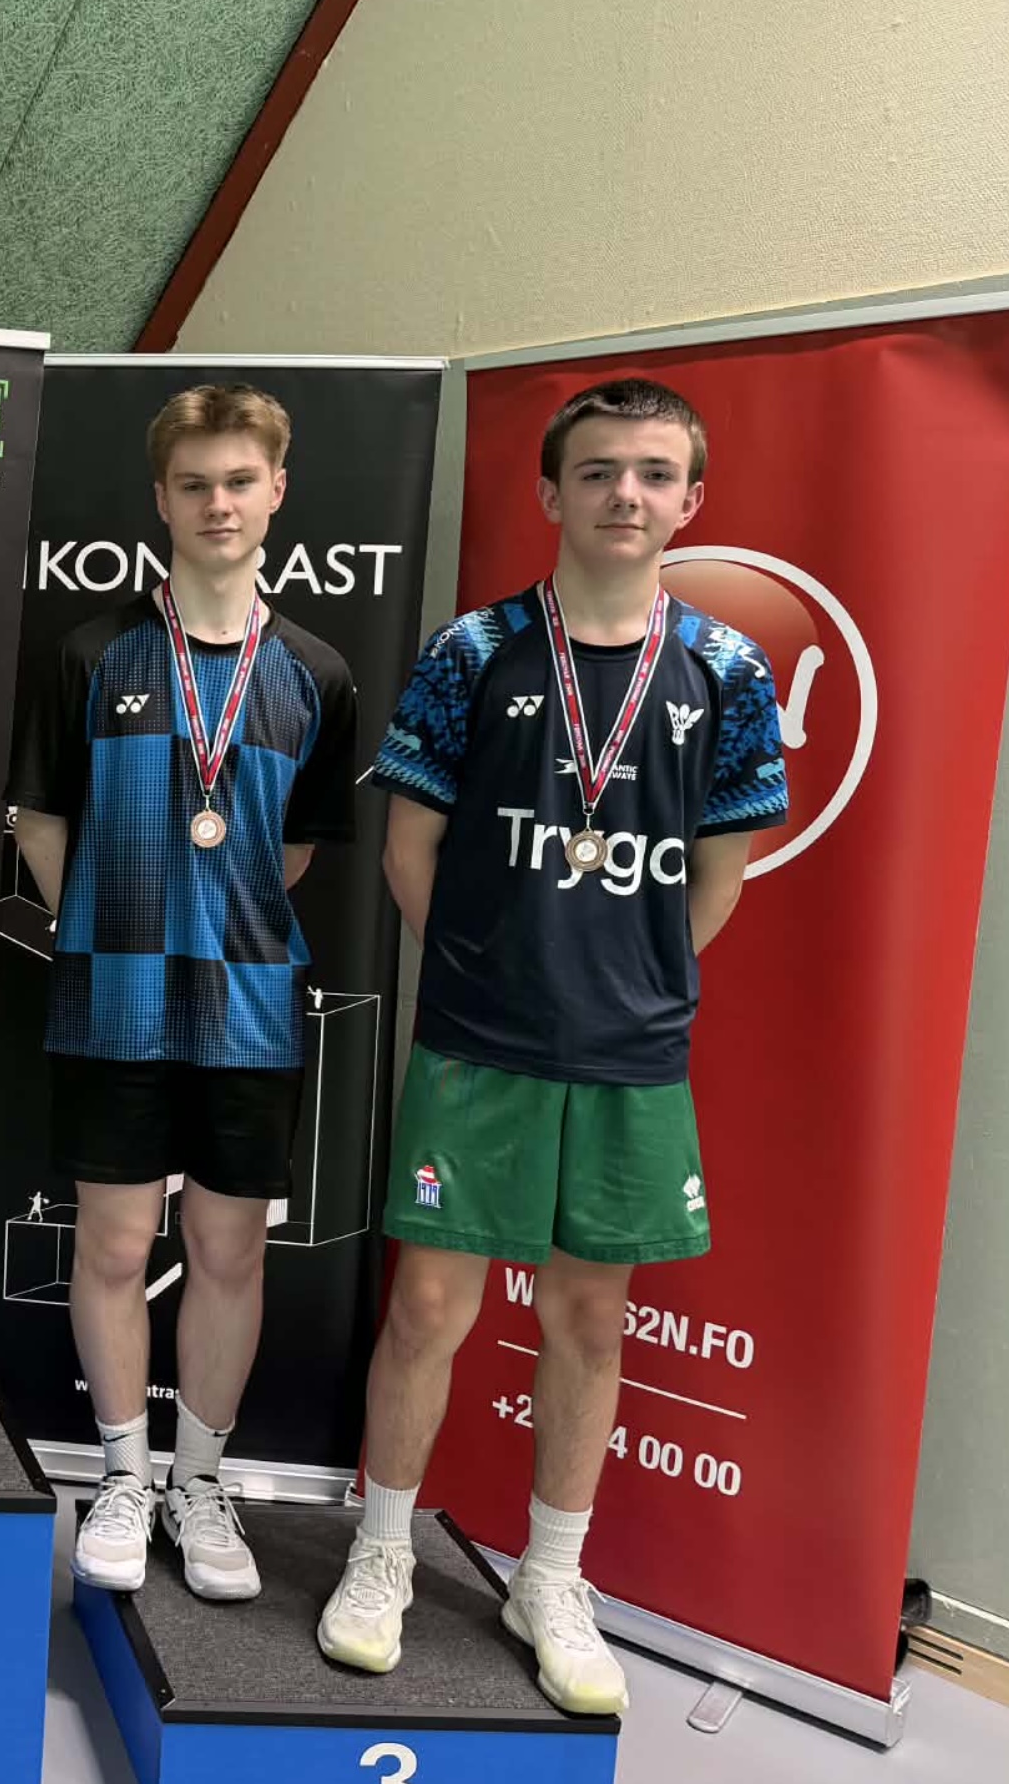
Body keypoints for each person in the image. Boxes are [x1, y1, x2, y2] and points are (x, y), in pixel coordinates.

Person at [319, 378, 786, 1713]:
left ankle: (551, 1575)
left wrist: (625, 982)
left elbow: (718, 875)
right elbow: (409, 851)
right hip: (479, 1041)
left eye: (652, 473)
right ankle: (381, 1551)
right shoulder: (473, 651)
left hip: (630, 1051)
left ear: (689, 500)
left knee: (588, 1315)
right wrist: (492, 974)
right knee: (427, 1308)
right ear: (549, 491)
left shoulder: (728, 669)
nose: (623, 494)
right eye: (596, 470)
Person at [7, 385, 357, 1596]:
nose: (218, 503)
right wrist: (116, 923)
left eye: (238, 481)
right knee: (111, 1243)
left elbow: (295, 849)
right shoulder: (89, 652)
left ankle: (198, 1483)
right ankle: (121, 1474)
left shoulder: (314, 671)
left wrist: (212, 913)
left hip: (249, 1000)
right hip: (111, 995)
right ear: (160, 497)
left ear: (275, 491)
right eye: (195, 483)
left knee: (227, 1250)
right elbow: (38, 820)